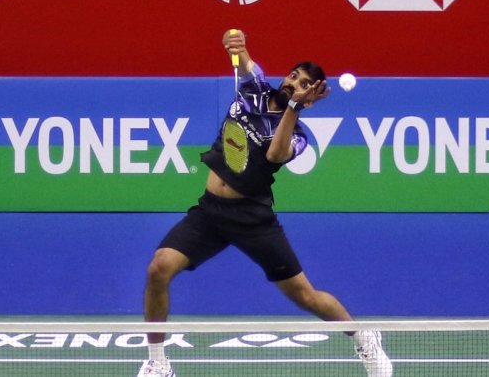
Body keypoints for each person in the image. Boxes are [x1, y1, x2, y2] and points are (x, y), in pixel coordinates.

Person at [137, 30, 392, 377]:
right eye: (293, 76)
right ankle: (157, 362)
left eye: (304, 84)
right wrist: (237, 46)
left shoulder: (298, 136)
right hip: (211, 211)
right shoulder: (253, 87)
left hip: (252, 218)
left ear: (311, 98)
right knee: (158, 268)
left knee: (306, 296)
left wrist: (295, 108)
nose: (293, 84)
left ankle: (363, 337)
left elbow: (275, 152)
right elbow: (243, 61)